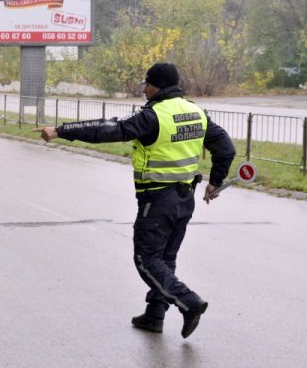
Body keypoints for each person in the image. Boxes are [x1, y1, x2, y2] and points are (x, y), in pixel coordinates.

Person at [32, 63, 235, 338]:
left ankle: (189, 302)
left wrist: (60, 130)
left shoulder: (154, 116)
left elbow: (108, 129)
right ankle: (154, 316)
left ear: (158, 86)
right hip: (185, 199)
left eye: (147, 83)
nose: (143, 88)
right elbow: (225, 146)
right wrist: (215, 181)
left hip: (158, 199)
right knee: (165, 258)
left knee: (146, 258)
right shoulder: (196, 112)